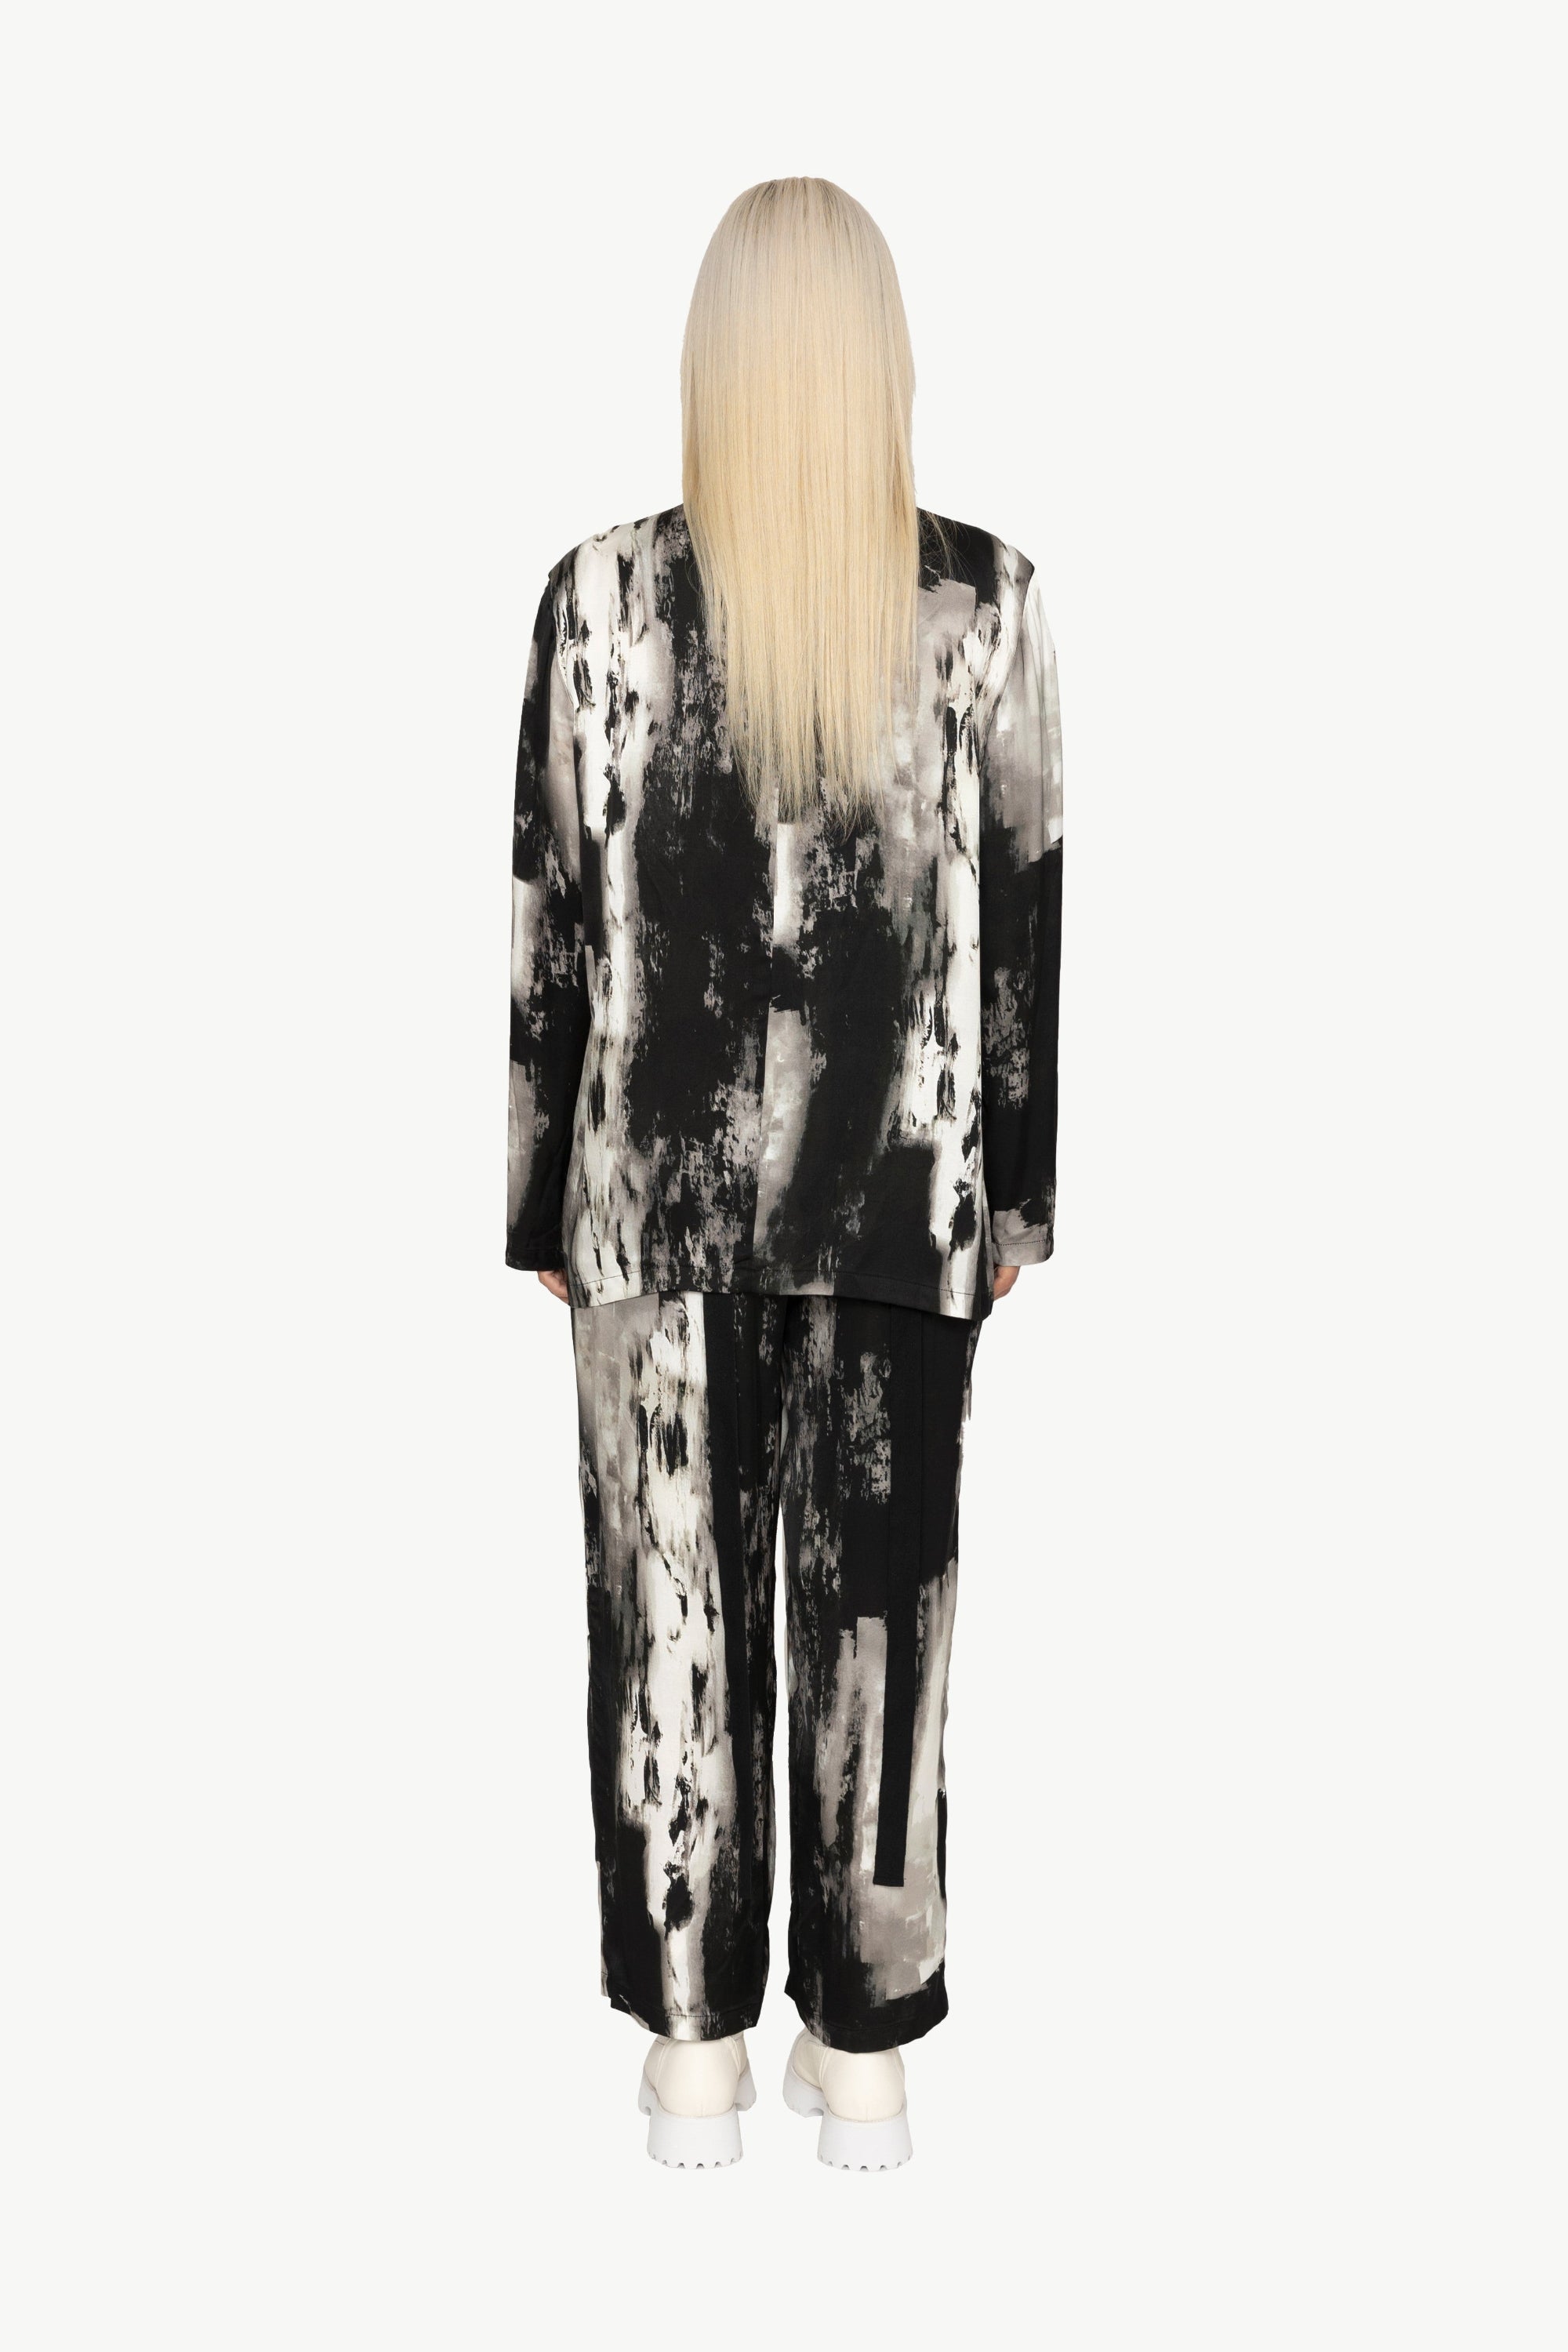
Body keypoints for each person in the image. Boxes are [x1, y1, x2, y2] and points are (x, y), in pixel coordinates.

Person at [506, 177, 1062, 2171]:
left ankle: (691, 2058)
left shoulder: (599, 599)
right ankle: (864, 2052)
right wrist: (1015, 1202)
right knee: (878, 1638)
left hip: (646, 1203)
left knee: (667, 1613)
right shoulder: (985, 604)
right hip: (901, 1196)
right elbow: (1022, 926)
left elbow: (547, 922)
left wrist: (538, 1198)